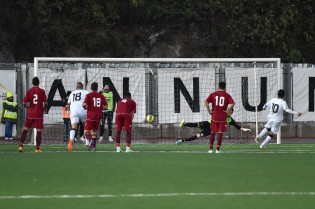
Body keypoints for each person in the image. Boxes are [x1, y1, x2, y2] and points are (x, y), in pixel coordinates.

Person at [18, 77, 47, 153]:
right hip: (39, 114)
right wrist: (45, 109)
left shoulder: (29, 91)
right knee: (39, 131)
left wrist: (27, 108)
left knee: (26, 129)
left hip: (30, 113)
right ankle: (37, 148)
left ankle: (20, 146)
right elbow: (45, 103)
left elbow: (24, 102)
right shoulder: (42, 91)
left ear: (32, 83)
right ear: (39, 83)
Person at [205, 81, 235, 153]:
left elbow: (206, 102)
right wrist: (228, 110)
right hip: (222, 116)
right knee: (220, 133)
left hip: (214, 116)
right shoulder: (227, 95)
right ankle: (217, 150)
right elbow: (233, 103)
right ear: (224, 87)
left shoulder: (213, 94)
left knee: (212, 132)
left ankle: (210, 149)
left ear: (218, 87)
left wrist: (209, 111)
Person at [175, 116, 251, 145]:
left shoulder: (230, 119)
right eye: (227, 110)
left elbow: (237, 127)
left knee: (198, 136)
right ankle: (184, 124)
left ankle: (182, 141)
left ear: (231, 112)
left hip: (211, 129)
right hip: (208, 123)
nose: (228, 111)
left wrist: (244, 129)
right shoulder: (222, 113)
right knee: (196, 124)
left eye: (230, 111)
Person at [82, 82, 107, 151]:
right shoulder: (101, 96)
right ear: (97, 88)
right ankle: (94, 147)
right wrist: (99, 108)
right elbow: (106, 106)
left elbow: (84, 105)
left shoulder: (89, 95)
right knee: (93, 132)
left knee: (86, 132)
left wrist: (85, 107)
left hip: (91, 115)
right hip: (98, 116)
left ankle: (90, 142)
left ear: (91, 88)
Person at [67, 82, 89, 151]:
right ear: (82, 87)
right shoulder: (86, 92)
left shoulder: (72, 93)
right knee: (86, 127)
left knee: (74, 127)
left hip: (74, 111)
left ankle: (71, 141)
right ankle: (87, 144)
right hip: (83, 110)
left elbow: (68, 104)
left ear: (76, 87)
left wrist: (69, 111)